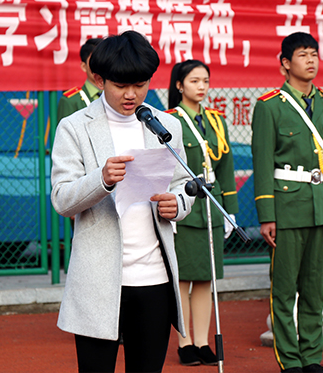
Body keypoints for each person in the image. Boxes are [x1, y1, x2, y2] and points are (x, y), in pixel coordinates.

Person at [50, 30, 194, 373]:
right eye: (120, 86)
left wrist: (177, 204)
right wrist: (101, 179)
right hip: (99, 280)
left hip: (155, 279)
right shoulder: (74, 127)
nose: (131, 95)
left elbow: (183, 183)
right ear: (99, 79)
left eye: (140, 85)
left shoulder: (166, 125)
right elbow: (62, 199)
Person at [251, 32, 323, 373]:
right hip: (287, 208)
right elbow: (263, 164)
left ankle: (312, 358)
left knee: (314, 289)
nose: (311, 61)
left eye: (314, 54)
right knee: (284, 290)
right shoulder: (269, 106)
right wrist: (267, 215)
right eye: (303, 55)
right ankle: (290, 360)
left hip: (322, 206)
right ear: (285, 63)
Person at [166, 60, 238, 366]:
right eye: (194, 81)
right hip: (186, 206)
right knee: (183, 279)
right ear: (179, 85)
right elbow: (165, 168)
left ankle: (202, 342)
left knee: (206, 279)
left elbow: (226, 168)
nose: (202, 86)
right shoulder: (170, 120)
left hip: (212, 205)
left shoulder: (216, 121)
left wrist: (230, 210)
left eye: (205, 80)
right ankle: (184, 343)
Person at [57, 37, 103, 122]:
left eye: (104, 61)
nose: (100, 66)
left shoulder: (115, 97)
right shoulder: (70, 101)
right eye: (94, 62)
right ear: (83, 66)